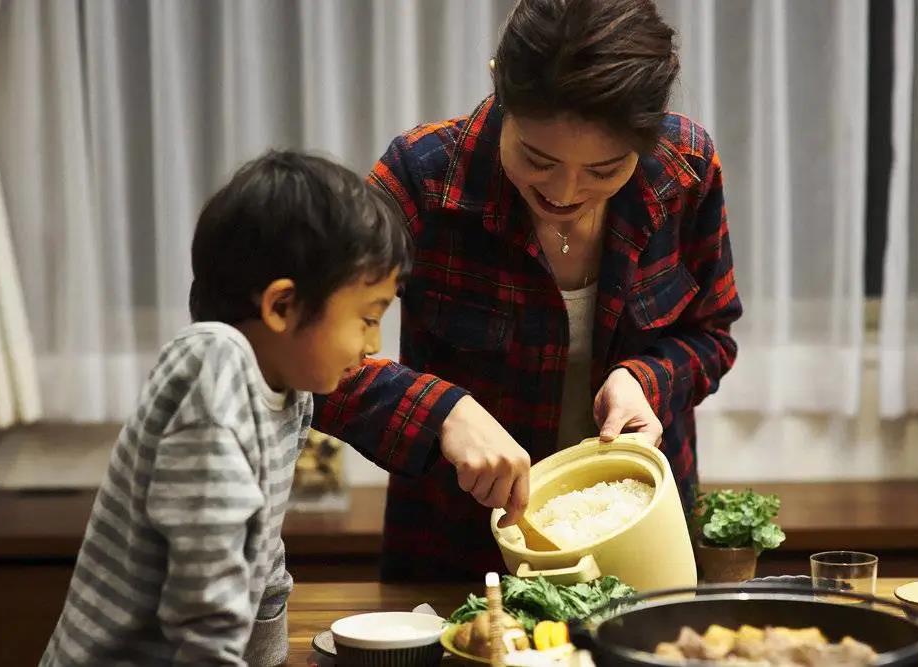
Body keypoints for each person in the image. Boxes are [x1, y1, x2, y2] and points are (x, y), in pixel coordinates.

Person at [316, 0, 742, 581]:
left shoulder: (684, 169)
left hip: (642, 538)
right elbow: (293, 351)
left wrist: (645, 380)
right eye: (538, 159)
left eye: (603, 170)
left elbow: (712, 333)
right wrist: (441, 412)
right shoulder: (425, 176)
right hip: (458, 552)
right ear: (502, 95)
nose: (565, 192)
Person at [40, 151, 413, 666]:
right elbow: (205, 609)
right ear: (282, 306)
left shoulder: (290, 391)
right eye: (368, 318)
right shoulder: (213, 372)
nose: (372, 345)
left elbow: (262, 565)